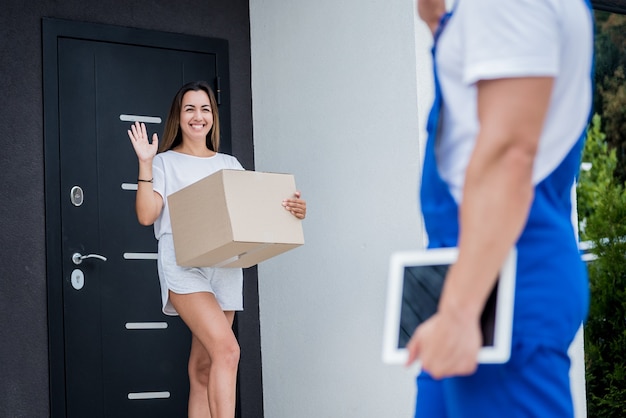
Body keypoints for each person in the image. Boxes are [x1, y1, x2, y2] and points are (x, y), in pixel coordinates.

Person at [406, 1, 594, 417]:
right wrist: (438, 22)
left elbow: (510, 153)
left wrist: (460, 311)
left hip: (503, 280)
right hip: (475, 274)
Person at [128, 80, 306, 418]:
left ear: (213, 116)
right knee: (227, 350)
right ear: (178, 117)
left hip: (224, 267)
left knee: (204, 367)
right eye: (190, 109)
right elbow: (146, 214)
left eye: (205, 108)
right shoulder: (164, 163)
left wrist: (293, 210)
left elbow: (253, 210)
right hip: (183, 265)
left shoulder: (229, 163)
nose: (198, 116)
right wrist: (145, 163)